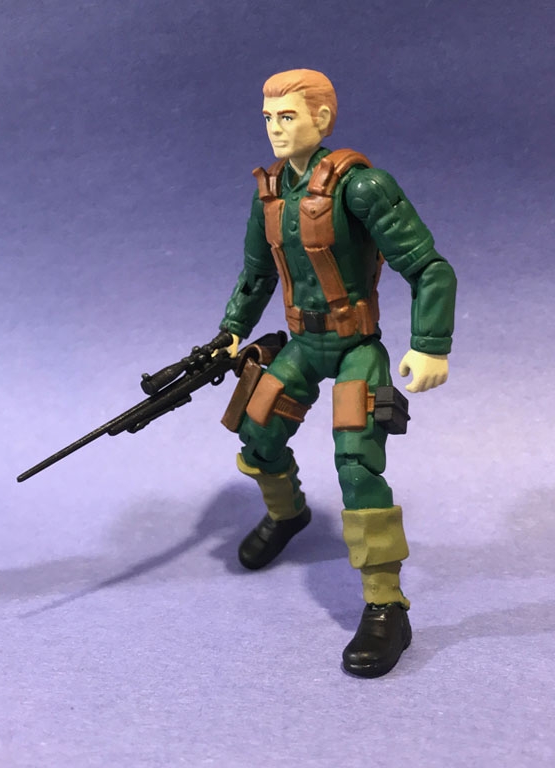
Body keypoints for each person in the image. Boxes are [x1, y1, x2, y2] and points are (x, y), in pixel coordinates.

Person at [216, 69, 456, 678]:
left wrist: (429, 344)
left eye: (288, 116)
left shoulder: (363, 187)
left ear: (322, 118)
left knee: (356, 463)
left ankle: (386, 604)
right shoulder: (270, 194)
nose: (275, 129)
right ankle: (288, 514)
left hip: (356, 347)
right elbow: (256, 273)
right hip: (303, 343)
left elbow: (429, 269)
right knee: (257, 432)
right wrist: (231, 330)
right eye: (268, 118)